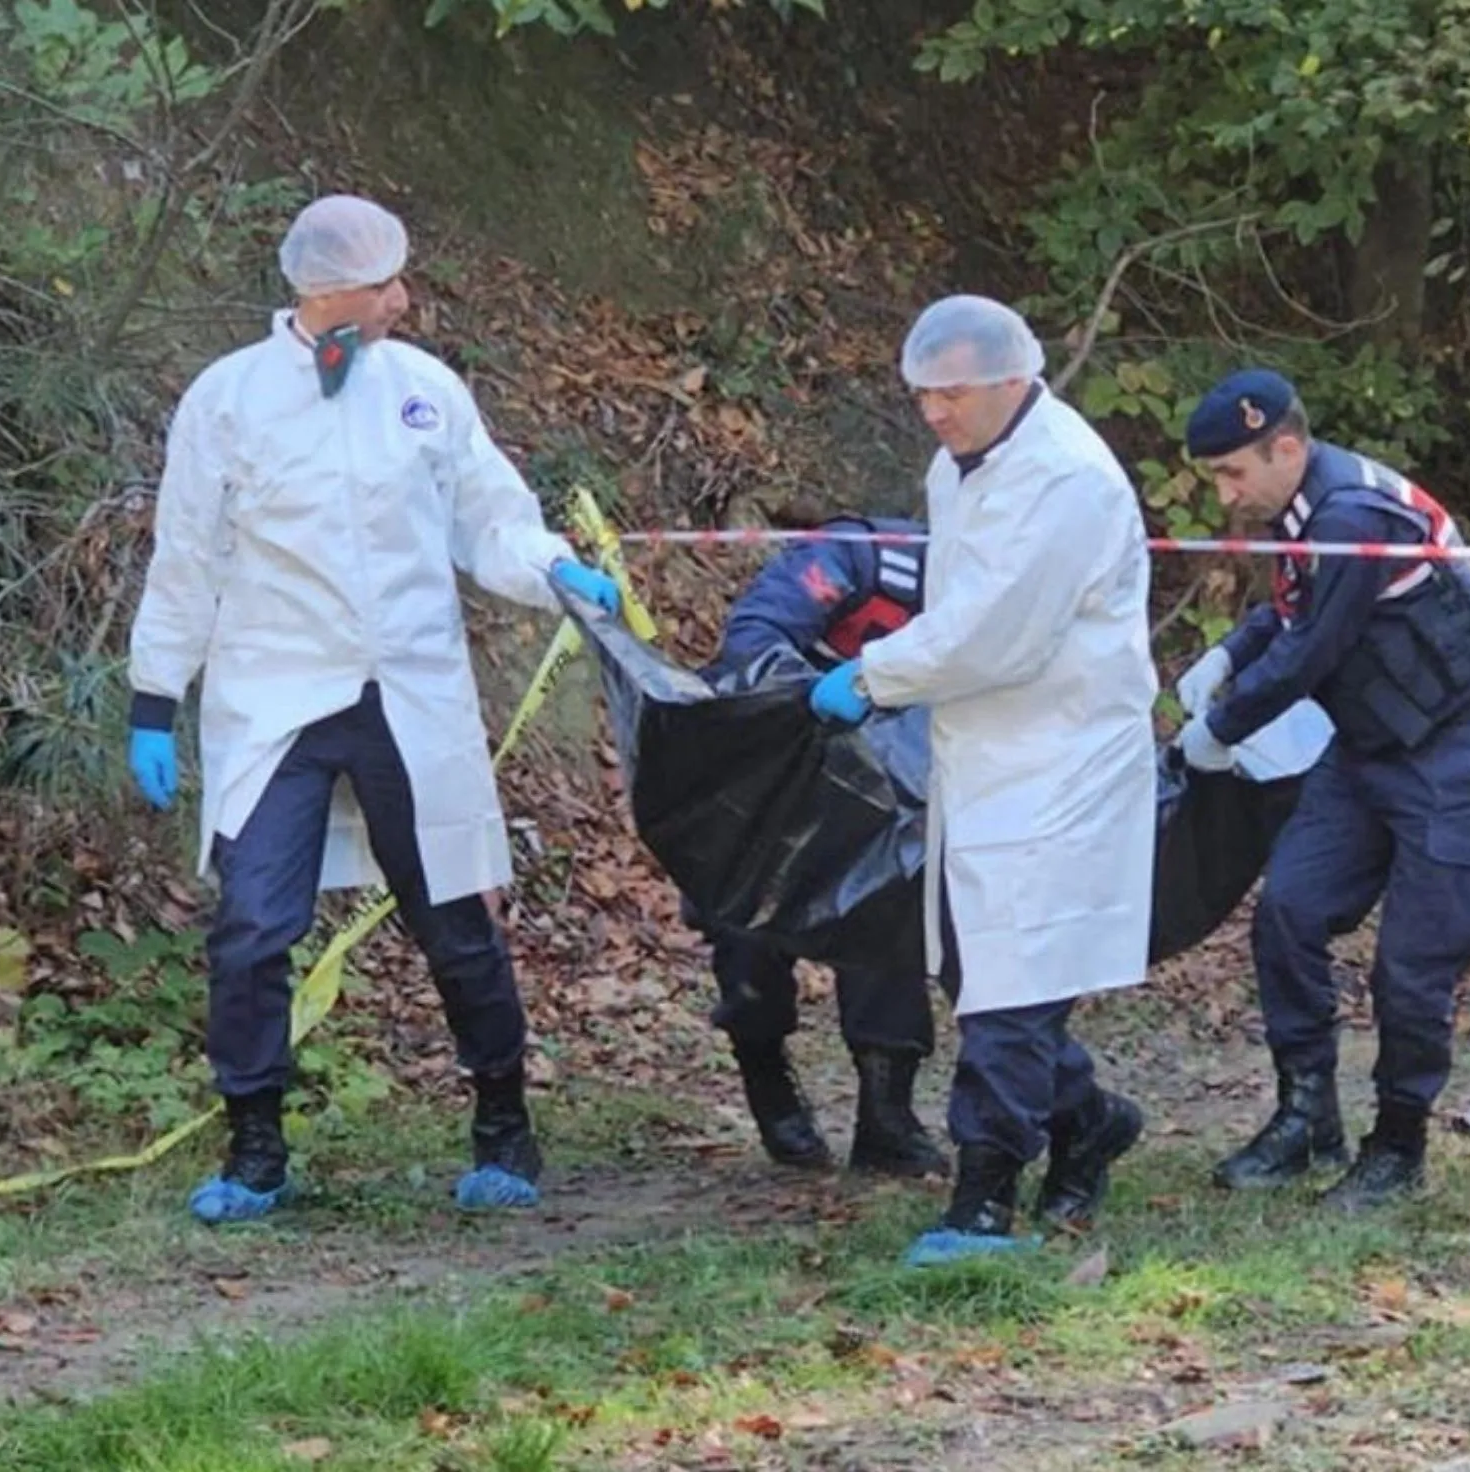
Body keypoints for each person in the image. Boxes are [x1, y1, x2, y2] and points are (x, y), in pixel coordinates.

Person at [126, 194, 623, 1225]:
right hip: (275, 696)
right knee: (253, 926)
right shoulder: (226, 401)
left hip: (407, 687)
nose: (404, 296)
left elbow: (491, 520)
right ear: (327, 292)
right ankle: (254, 1145)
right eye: (385, 281)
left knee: (455, 916)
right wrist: (153, 694)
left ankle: (502, 1121)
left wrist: (559, 572)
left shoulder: (425, 392)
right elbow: (187, 556)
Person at [807, 295, 1155, 1266]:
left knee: (1009, 981)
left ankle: (984, 1195)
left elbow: (995, 632)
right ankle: (1087, 1119)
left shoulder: (1065, 479)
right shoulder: (958, 464)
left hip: (1062, 755)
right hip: (985, 748)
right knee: (982, 966)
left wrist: (874, 675)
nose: (932, 413)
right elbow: (957, 602)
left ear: (1013, 381)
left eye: (950, 394)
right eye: (920, 395)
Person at [1172, 368, 1470, 1211]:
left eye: (1234, 473)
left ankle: (1397, 1147)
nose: (1228, 495)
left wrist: (1221, 730)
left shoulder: (1354, 515)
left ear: (1288, 447)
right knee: (1290, 912)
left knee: (1412, 968)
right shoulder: (1306, 508)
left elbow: (1315, 652)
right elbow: (1292, 610)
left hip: (1462, 752)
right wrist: (1230, 652)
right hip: (1370, 748)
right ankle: (1308, 1117)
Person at [687, 508, 946, 1178]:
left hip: (884, 798)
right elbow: (755, 634)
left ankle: (886, 1117)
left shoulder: (995, 595)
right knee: (747, 937)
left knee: (889, 919)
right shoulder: (857, 557)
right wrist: (822, 696)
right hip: (767, 774)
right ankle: (767, 1079)